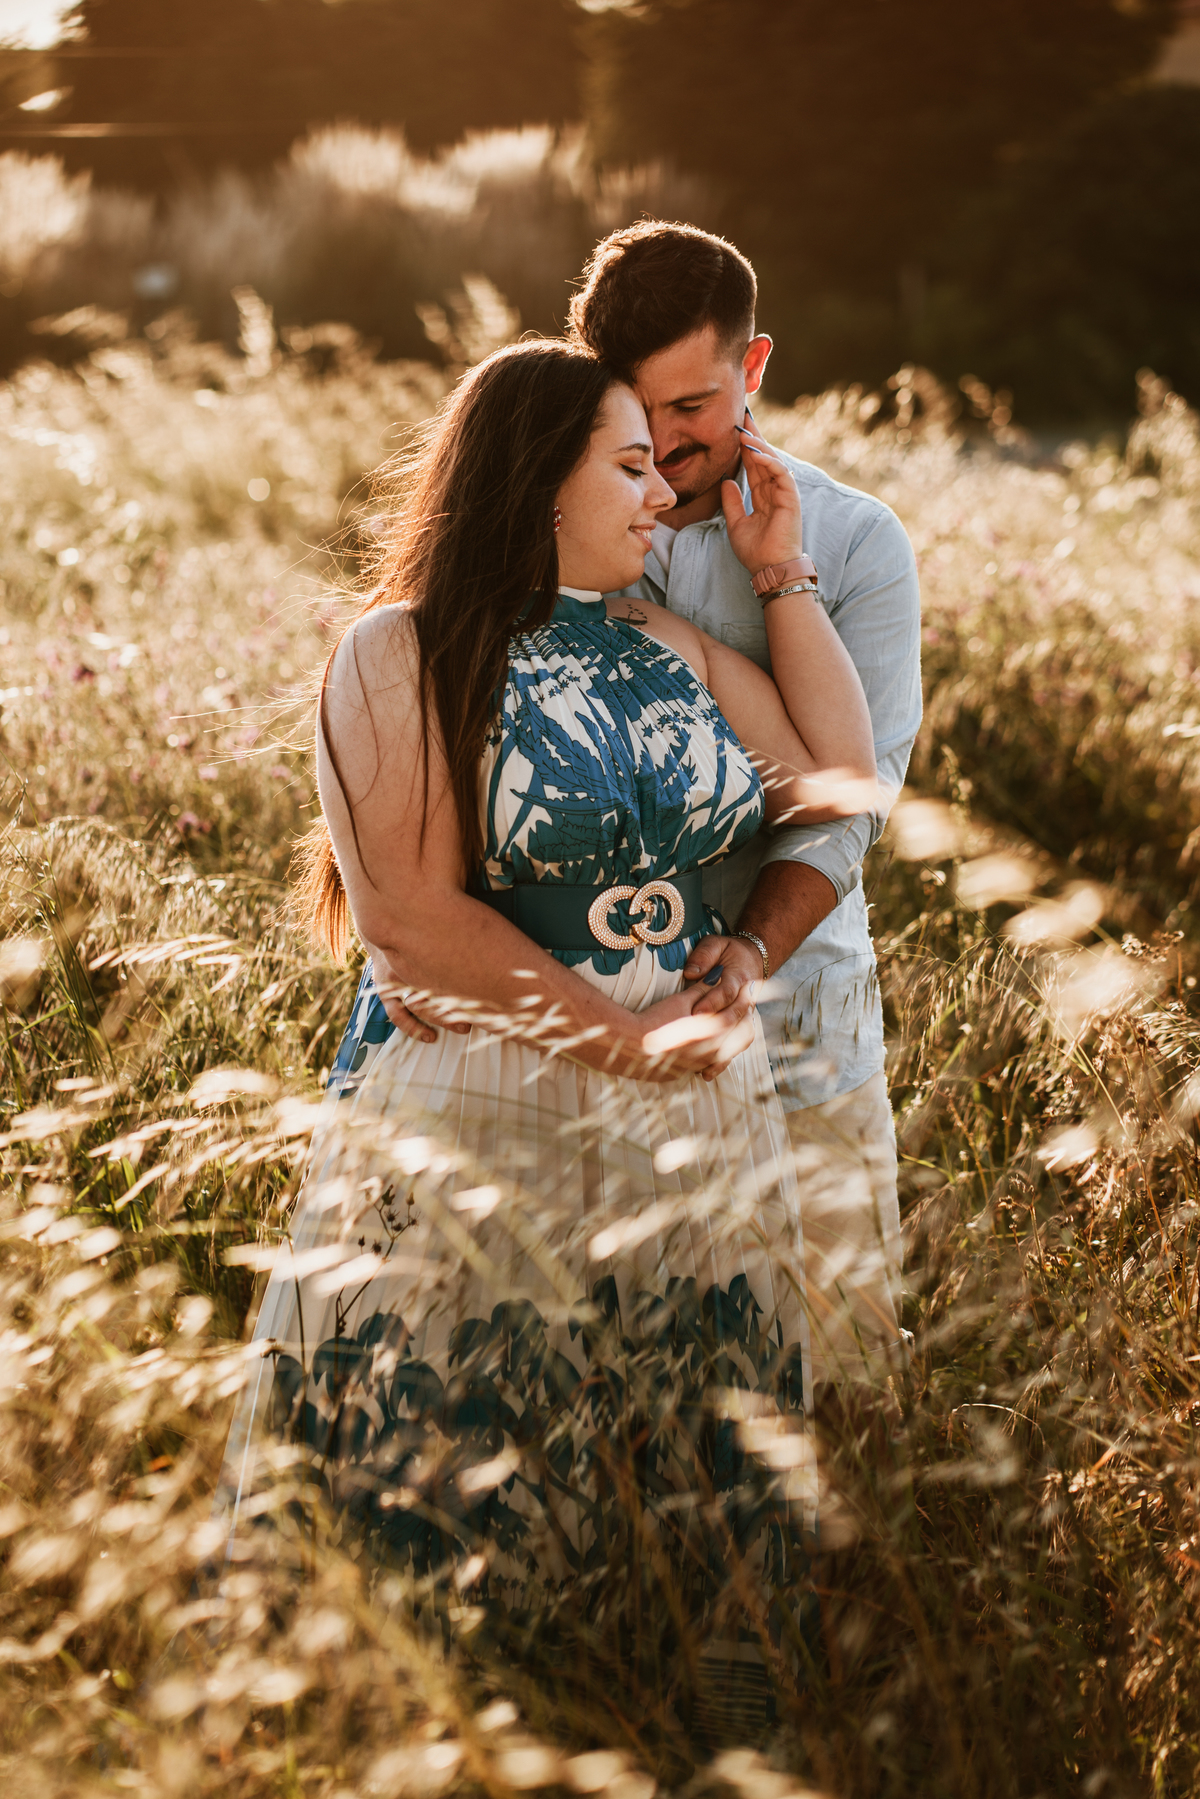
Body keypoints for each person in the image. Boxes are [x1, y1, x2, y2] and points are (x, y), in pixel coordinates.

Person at [221, 339, 875, 1719]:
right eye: (629, 464)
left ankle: (669, 1732)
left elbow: (837, 779)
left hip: (697, 1103)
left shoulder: (664, 640)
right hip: (486, 1095)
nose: (658, 494)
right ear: (535, 477)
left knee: (685, 1446)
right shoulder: (399, 649)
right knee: (466, 1440)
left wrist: (781, 572)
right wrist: (625, 1043)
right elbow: (411, 920)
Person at [565, 222, 923, 1396]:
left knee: (841, 1371)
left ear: (754, 368)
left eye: (695, 406)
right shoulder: (552, 534)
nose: (666, 446)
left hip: (800, 1007)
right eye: (638, 411)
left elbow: (846, 807)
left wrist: (754, 950)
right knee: (636, 1394)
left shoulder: (860, 540)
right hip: (604, 1029)